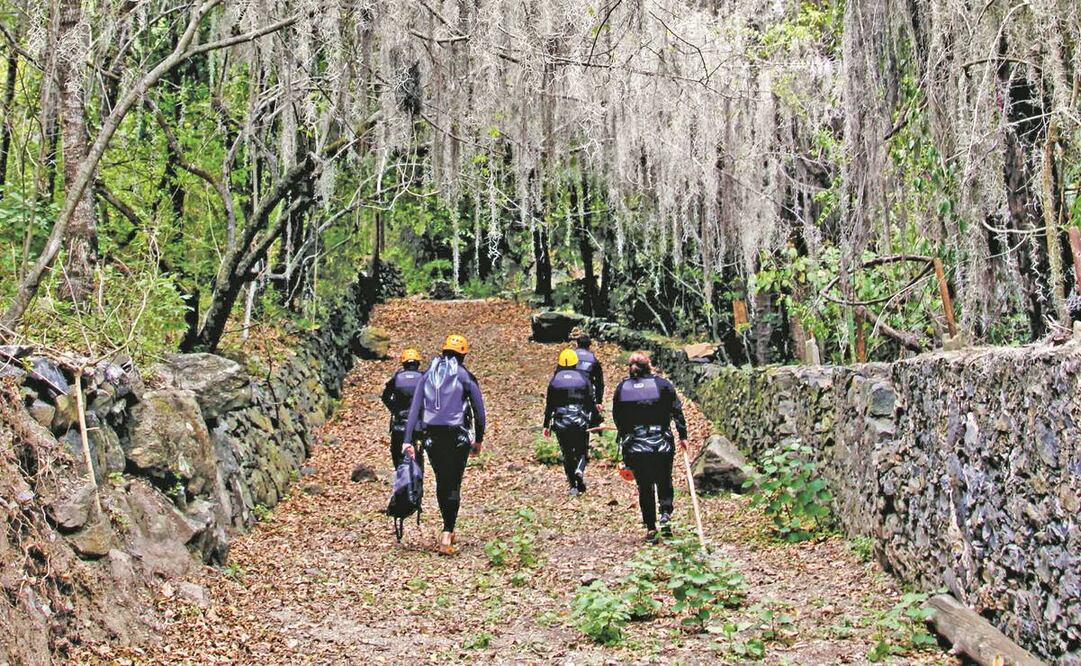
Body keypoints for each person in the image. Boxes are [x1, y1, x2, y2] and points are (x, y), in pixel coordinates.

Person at [402, 334, 486, 555]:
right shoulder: (464, 376)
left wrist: (407, 440)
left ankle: (447, 525)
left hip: (432, 438)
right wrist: (479, 439)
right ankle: (448, 532)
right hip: (457, 437)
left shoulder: (428, 374)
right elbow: (479, 410)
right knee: (454, 483)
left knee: (442, 481)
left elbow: (415, 408)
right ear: (462, 354)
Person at [612, 351, 688, 543]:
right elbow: (677, 410)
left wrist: (625, 435)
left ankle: (651, 527)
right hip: (661, 442)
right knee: (664, 479)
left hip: (636, 445)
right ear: (650, 366)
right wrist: (683, 435)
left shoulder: (623, 388)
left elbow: (618, 417)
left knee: (644, 485)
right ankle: (665, 513)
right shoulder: (663, 385)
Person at [543, 349, 599, 496]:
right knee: (582, 450)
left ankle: (573, 486)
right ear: (575, 363)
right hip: (580, 420)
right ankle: (580, 470)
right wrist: (596, 421)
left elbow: (549, 405)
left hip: (561, 422)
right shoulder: (583, 379)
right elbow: (590, 402)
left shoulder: (555, 380)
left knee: (567, 454)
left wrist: (546, 425)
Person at [381, 348, 425, 468]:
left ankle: (400, 478)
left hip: (399, 424)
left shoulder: (397, 378)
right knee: (419, 455)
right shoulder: (423, 377)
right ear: (417, 363)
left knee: (396, 452)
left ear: (404, 363)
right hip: (418, 425)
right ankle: (418, 482)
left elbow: (385, 396)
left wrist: (394, 409)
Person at [572, 332, 605, 412]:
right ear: (589, 345)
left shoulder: (570, 356)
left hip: (568, 389)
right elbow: (599, 382)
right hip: (586, 392)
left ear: (577, 344)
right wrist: (599, 402)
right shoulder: (593, 359)